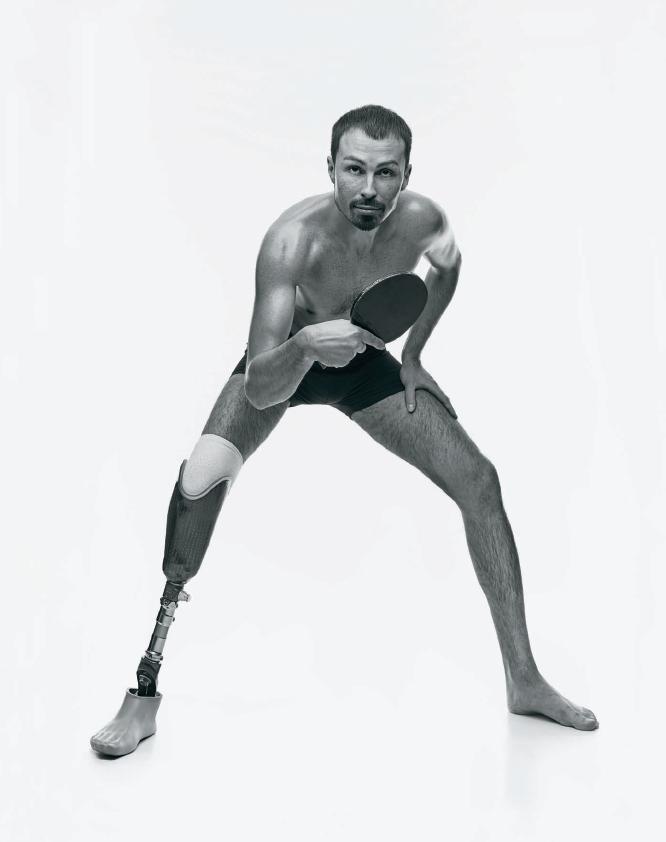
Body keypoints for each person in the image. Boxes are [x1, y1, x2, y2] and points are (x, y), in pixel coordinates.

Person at [91, 104, 597, 757]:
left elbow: (447, 268)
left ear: (406, 175)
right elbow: (259, 385)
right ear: (329, 166)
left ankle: (524, 680)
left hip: (362, 365)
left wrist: (413, 356)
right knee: (201, 479)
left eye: (386, 173)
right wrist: (305, 344)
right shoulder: (290, 243)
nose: (369, 188)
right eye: (354, 169)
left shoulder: (423, 221)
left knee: (480, 480)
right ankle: (143, 693)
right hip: (285, 363)